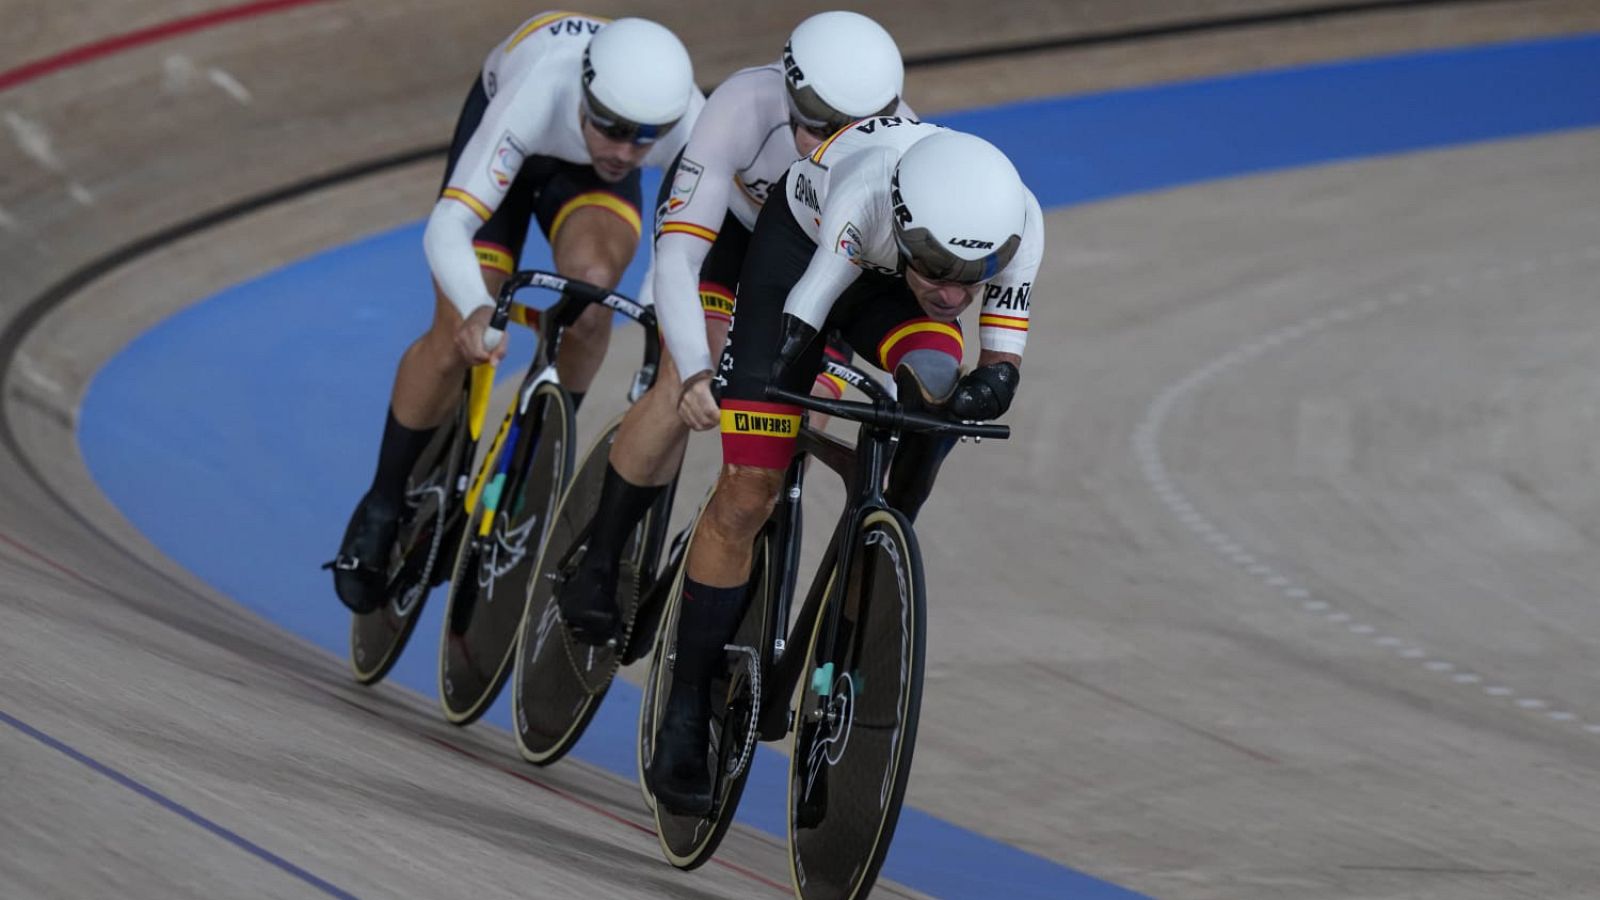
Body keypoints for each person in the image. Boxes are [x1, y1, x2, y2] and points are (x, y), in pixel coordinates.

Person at [646, 122, 1043, 815]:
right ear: (906, 226)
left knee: (937, 393)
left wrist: (973, 395)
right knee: (750, 490)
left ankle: (875, 555)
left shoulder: (1017, 224)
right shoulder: (865, 192)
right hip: (799, 262)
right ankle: (684, 706)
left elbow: (1000, 364)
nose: (953, 297)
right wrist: (780, 403)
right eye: (939, 270)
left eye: (969, 278)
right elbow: (806, 315)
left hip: (888, 294)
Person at [554, 11, 913, 643]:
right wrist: (693, 367)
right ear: (791, 95)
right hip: (729, 236)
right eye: (819, 127)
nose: (833, 144)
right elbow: (678, 256)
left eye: (853, 129)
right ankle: (599, 559)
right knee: (685, 383)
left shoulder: (903, 145)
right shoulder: (745, 103)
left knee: (796, 421)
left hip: (809, 265)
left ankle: (711, 547)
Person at [330, 12, 704, 614]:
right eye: (611, 129)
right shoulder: (538, 92)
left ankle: (538, 457)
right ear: (586, 95)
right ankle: (382, 499)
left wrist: (663, 312)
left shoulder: (690, 121)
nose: (624, 150)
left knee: (595, 295)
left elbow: (684, 242)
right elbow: (448, 226)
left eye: (644, 138)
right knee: (458, 332)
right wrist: (479, 309)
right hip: (511, 138)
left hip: (581, 183)